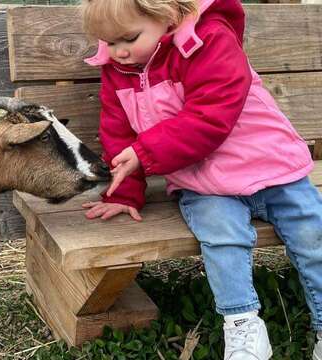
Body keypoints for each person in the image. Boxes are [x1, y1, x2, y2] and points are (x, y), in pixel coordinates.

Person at [79, 0, 322, 358]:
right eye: (109, 42)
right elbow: (117, 134)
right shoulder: (118, 68)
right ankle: (243, 327)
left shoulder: (208, 39)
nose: (119, 51)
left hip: (271, 165)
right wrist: (125, 193)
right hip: (203, 181)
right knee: (222, 237)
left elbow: (212, 113)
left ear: (167, 14)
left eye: (128, 38)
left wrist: (145, 153)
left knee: (313, 236)